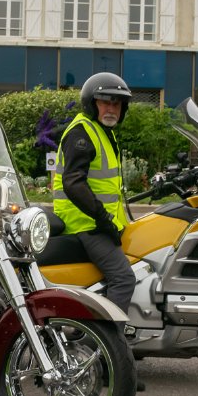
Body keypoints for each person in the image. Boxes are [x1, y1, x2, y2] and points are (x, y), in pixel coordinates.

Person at [52, 72, 135, 311]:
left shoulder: (102, 132)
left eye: (117, 104)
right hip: (85, 223)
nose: (111, 109)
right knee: (123, 279)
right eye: (105, 102)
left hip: (97, 221)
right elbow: (73, 182)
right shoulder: (82, 133)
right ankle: (111, 334)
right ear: (91, 104)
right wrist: (102, 218)